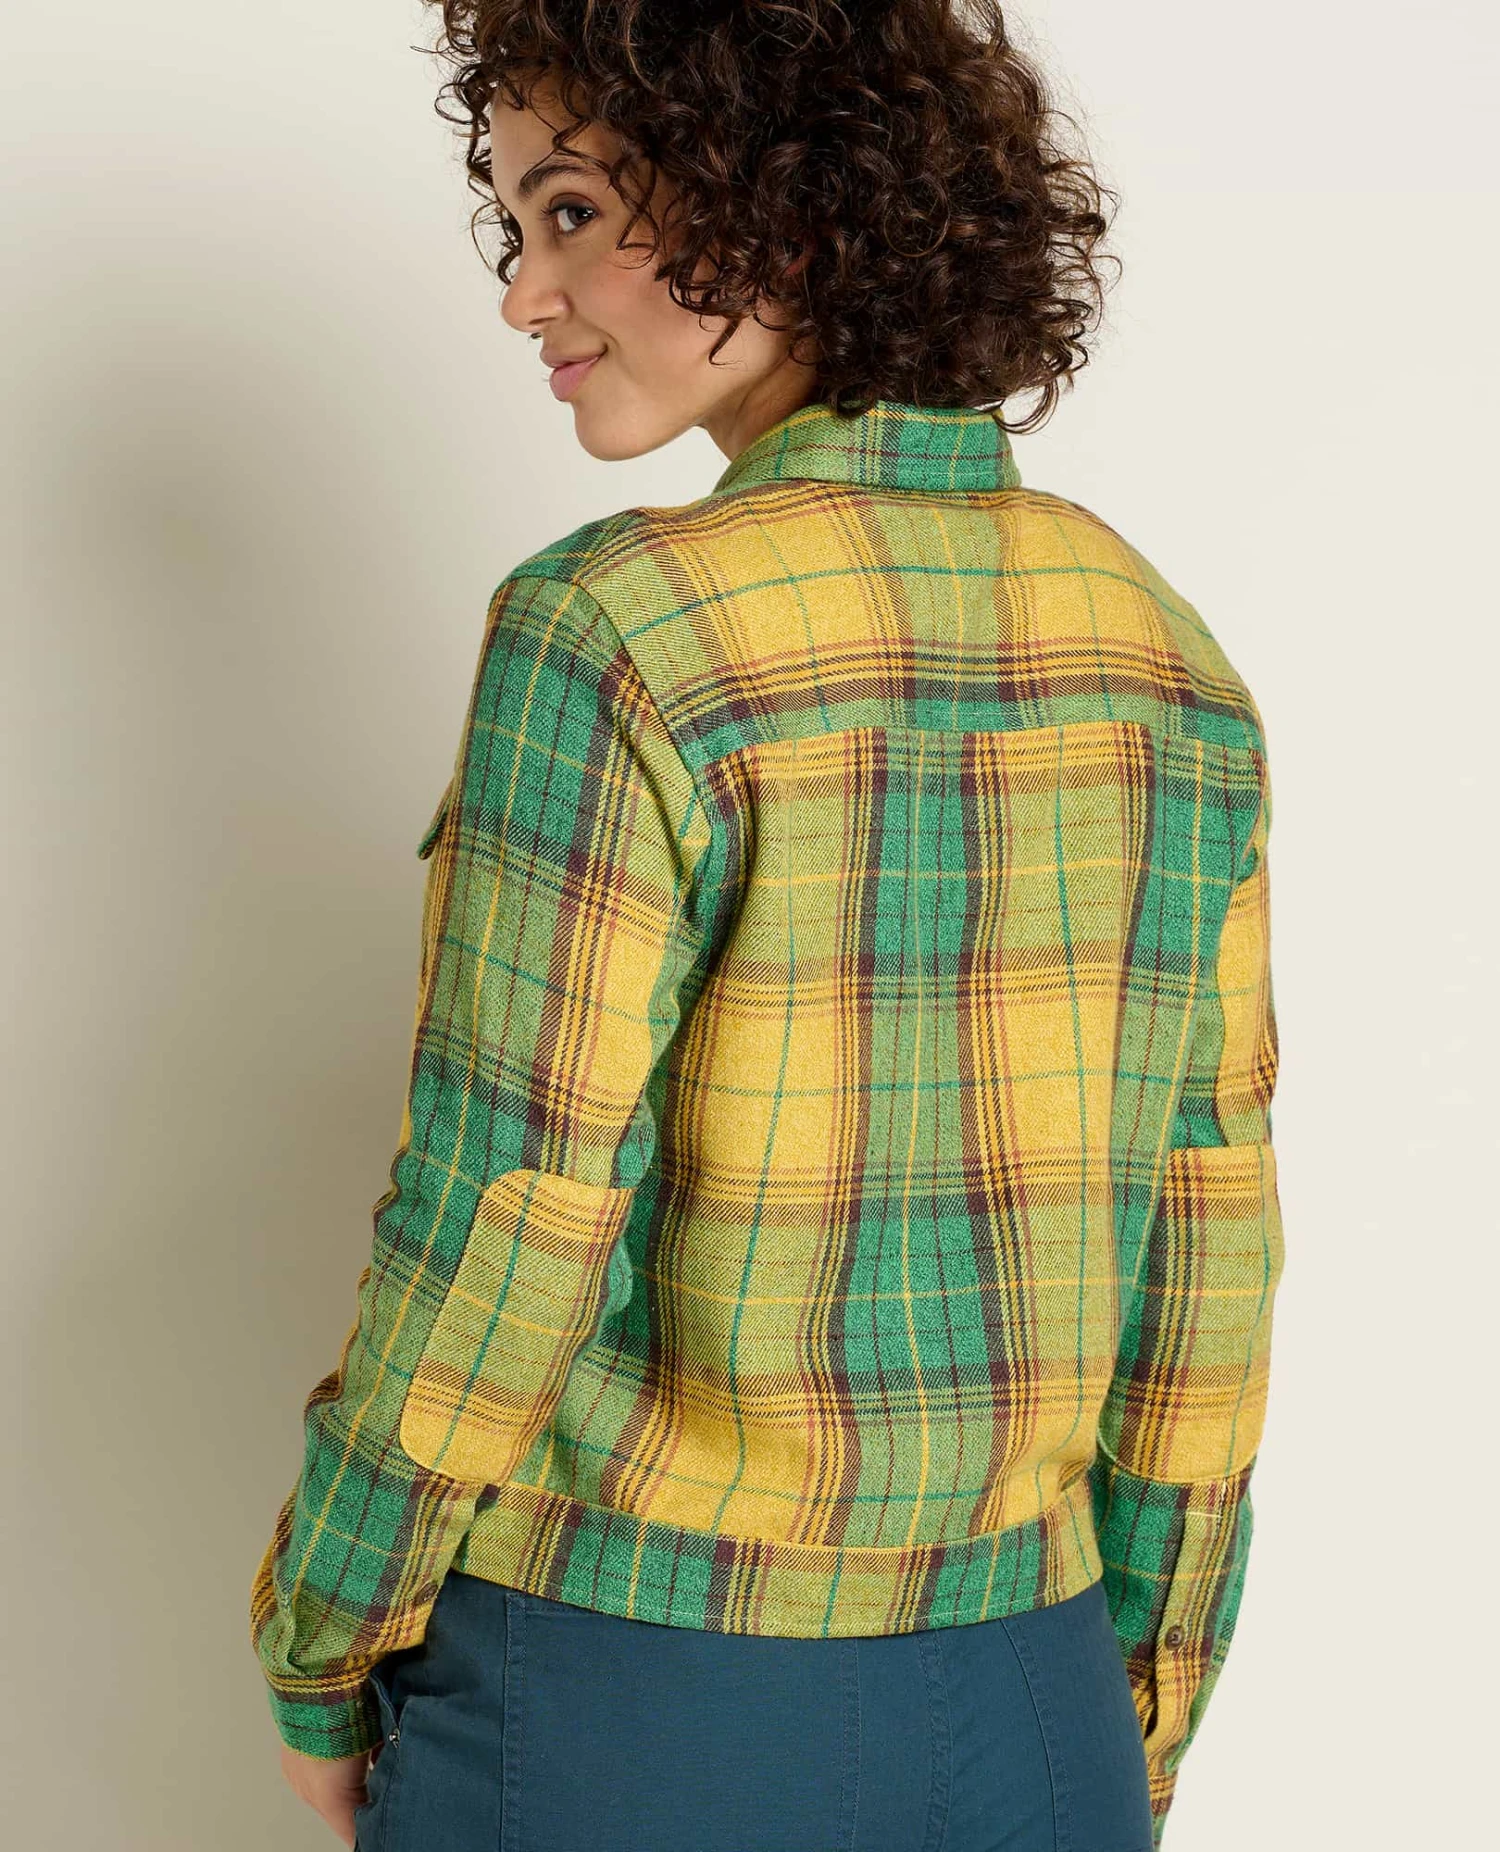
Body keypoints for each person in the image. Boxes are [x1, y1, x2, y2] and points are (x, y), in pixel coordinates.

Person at [248, 4, 1285, 1848]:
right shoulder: (1166, 658)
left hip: (636, 1694)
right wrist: (1144, 1681)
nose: (524, 294)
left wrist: (324, 1634)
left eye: (574, 212)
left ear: (784, 198)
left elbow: (509, 1208)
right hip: (1037, 1696)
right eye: (519, 225)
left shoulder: (619, 630)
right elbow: (1210, 1239)